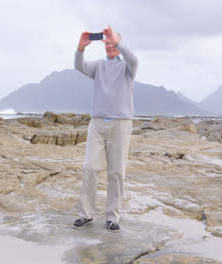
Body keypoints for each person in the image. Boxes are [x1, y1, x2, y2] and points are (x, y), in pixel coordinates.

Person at [73, 26, 138, 232]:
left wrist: (117, 40)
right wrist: (81, 48)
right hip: (97, 124)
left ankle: (112, 217)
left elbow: (134, 59)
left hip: (121, 124)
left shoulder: (128, 66)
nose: (109, 47)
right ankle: (86, 214)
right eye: (107, 44)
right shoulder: (99, 66)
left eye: (113, 44)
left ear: (119, 45)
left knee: (116, 172)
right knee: (90, 167)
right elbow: (79, 66)